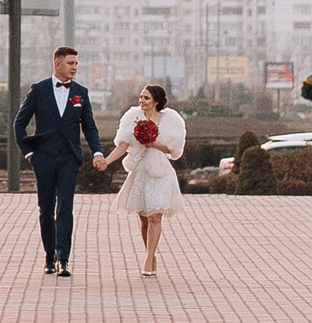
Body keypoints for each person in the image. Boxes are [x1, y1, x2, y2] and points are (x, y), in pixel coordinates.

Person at [13, 45, 102, 278]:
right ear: (57, 64)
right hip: (43, 158)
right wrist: (28, 152)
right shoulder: (39, 90)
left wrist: (97, 152)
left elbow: (89, 127)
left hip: (69, 159)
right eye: (71, 63)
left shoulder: (81, 92)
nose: (75, 67)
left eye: (76, 64)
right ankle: (49, 255)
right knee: (45, 209)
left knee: (65, 208)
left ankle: (64, 258)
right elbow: (19, 123)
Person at [95, 83, 185, 276]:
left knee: (155, 215)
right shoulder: (132, 117)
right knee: (144, 218)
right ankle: (151, 256)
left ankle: (148, 258)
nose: (142, 101)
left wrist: (153, 142)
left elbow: (173, 149)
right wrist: (106, 161)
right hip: (140, 170)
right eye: (141, 97)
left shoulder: (171, 120)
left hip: (160, 171)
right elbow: (123, 145)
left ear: (156, 101)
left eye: (146, 98)